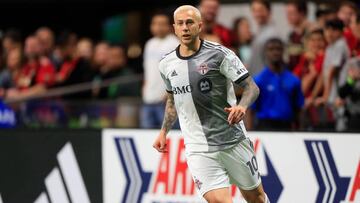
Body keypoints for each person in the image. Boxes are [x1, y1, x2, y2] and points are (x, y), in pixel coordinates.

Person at [153, 5, 269, 203]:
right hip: (197, 147)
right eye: (180, 24)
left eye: (189, 23)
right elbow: (172, 100)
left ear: (199, 26)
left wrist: (242, 106)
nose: (185, 28)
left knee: (256, 198)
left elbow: (252, 87)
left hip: (232, 140)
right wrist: (164, 131)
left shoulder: (220, 54)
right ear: (174, 28)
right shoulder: (166, 63)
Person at [250, 38, 304, 131]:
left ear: (283, 51)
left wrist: (301, 131)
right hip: (265, 126)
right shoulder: (258, 80)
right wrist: (249, 134)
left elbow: (299, 108)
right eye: (271, 49)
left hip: (287, 126)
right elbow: (251, 110)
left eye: (278, 49)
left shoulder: (293, 79)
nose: (275, 52)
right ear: (265, 52)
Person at [141, 12, 179, 129]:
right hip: (148, 99)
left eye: (162, 24)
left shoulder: (174, 43)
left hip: (165, 101)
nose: (158, 27)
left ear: (169, 26)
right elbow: (147, 71)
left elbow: (177, 72)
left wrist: (169, 94)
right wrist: (144, 90)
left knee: (169, 135)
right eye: (155, 24)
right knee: (147, 137)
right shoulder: (149, 44)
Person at [248, 0, 277, 76]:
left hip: (266, 82)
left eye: (260, 10)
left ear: (269, 11)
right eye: (254, 10)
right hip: (256, 80)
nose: (257, 14)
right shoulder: (259, 32)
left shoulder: (273, 34)